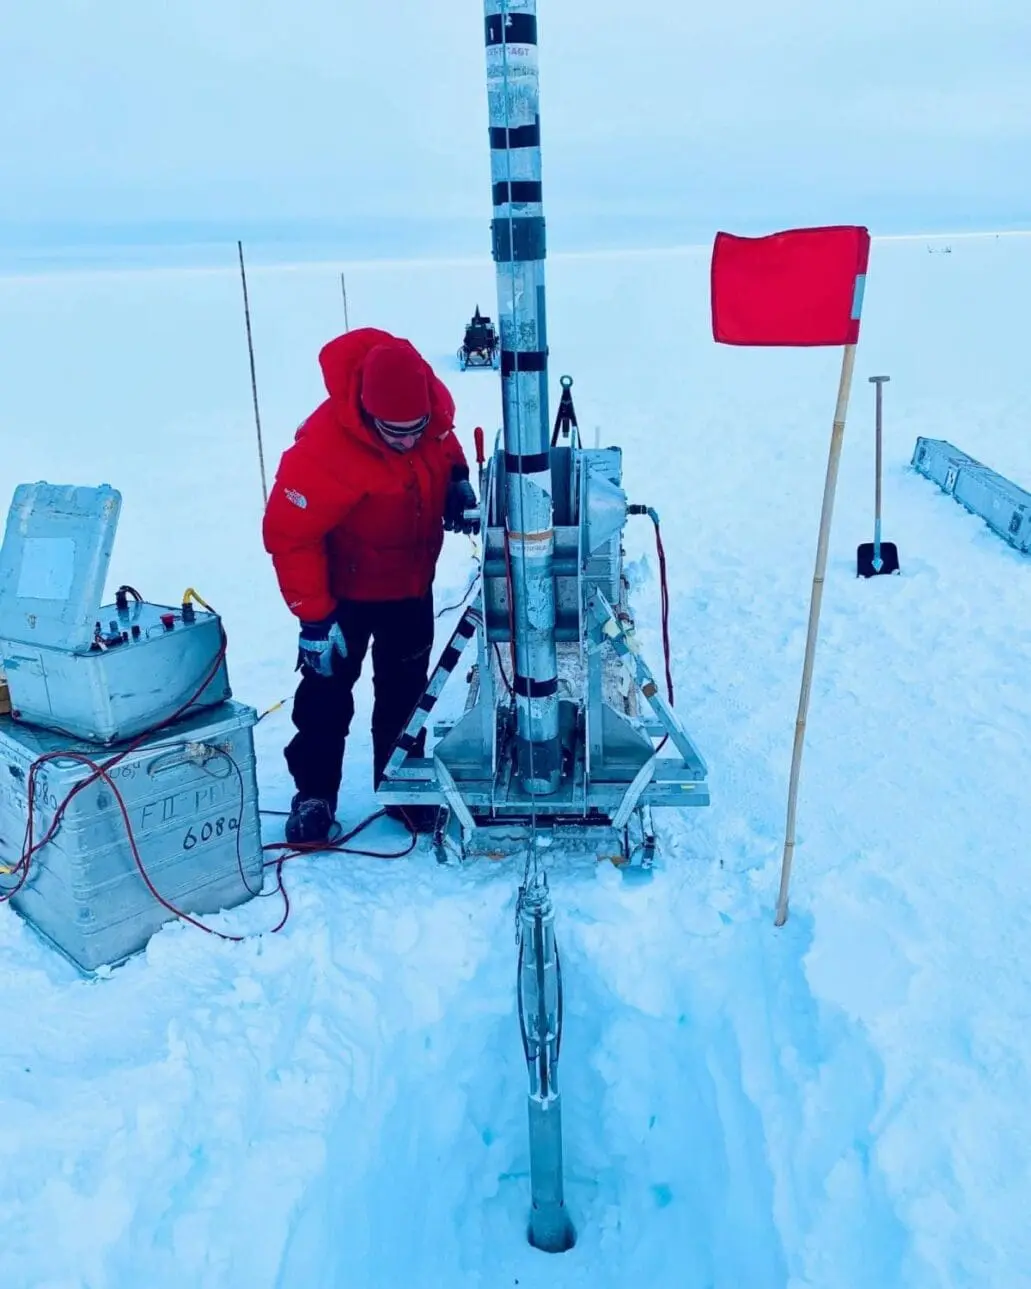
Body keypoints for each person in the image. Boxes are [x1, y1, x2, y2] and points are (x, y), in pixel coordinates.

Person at [262, 326, 479, 845]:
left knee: (406, 693)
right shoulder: (322, 451)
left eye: (416, 428)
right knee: (326, 696)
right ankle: (314, 797)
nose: (408, 440)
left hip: (409, 585)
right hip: (343, 597)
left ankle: (401, 786)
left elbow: (444, 446)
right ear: (366, 412)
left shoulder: (434, 419)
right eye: (394, 431)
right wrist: (314, 617)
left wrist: (457, 478)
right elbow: (288, 534)